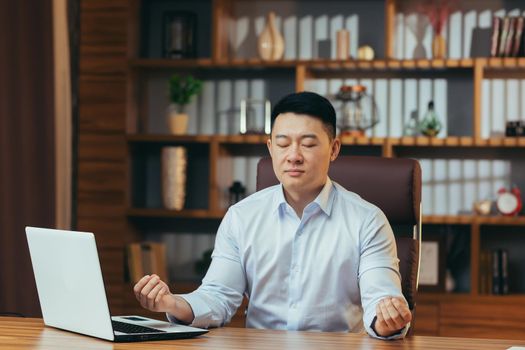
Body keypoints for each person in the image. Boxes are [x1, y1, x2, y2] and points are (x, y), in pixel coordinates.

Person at [134, 91, 412, 339]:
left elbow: (381, 299)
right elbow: (218, 297)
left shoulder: (368, 220)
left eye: (308, 144)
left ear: (334, 149)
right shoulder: (241, 217)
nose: (294, 155)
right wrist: (172, 304)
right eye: (283, 143)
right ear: (270, 149)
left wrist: (387, 318)